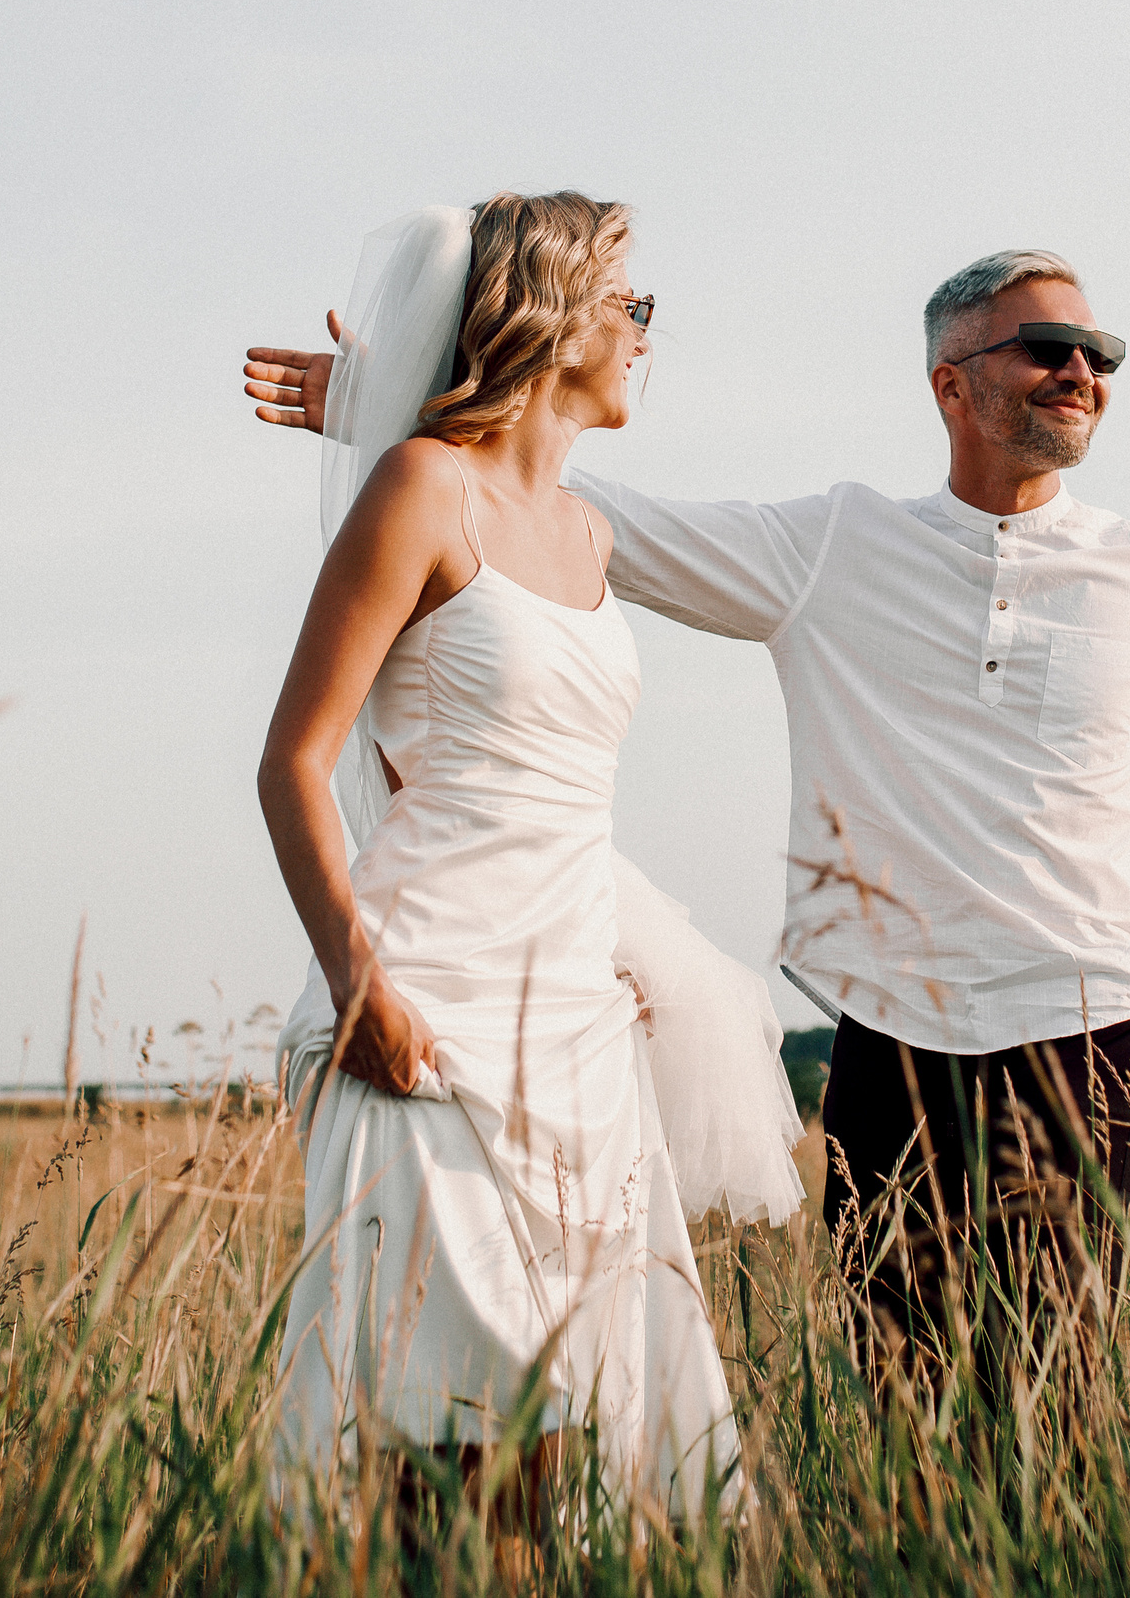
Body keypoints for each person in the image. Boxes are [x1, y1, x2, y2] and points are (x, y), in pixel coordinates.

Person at [245, 245, 1130, 1377]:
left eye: (1098, 354)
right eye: (1048, 348)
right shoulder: (835, 547)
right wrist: (390, 405)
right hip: (888, 1048)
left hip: (1080, 1039)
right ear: (950, 384)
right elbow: (570, 510)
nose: (1082, 371)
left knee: (1050, 1394)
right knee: (902, 1396)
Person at [256, 194, 798, 1519]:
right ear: (547, 317)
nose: (648, 335)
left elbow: (550, 803)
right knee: (443, 1439)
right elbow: (297, 762)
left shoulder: (586, 532)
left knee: (564, 1453)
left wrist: (614, 953)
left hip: (577, 1035)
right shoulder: (419, 487)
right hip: (425, 1019)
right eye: (632, 305)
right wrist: (359, 986)